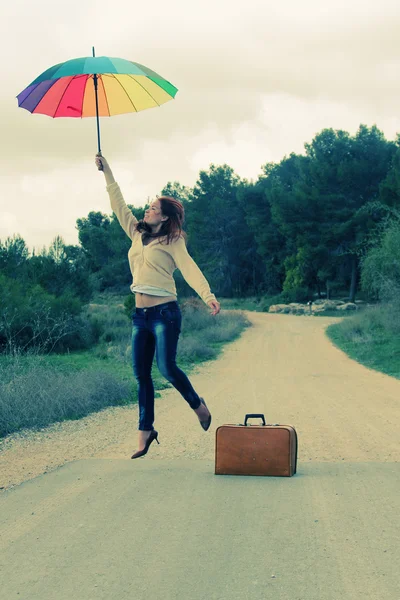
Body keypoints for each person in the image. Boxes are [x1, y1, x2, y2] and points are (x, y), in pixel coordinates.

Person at [95, 154, 221, 459]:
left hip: (165, 312)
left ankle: (198, 406)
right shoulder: (137, 234)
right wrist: (107, 171)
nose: (146, 211)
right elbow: (118, 205)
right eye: (149, 207)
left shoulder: (173, 240)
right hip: (140, 316)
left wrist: (207, 295)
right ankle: (145, 430)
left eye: (152, 209)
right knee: (141, 374)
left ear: (163, 217)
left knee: (166, 367)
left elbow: (189, 268)